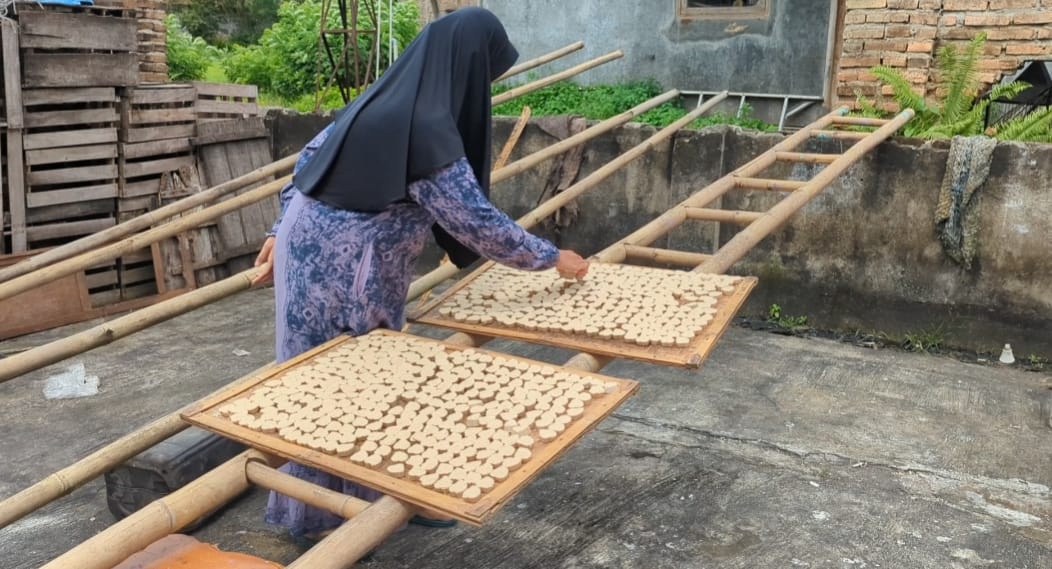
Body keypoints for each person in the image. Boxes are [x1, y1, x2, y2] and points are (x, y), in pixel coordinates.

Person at [251, 7, 590, 542]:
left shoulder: (384, 98)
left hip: (310, 244)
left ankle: (390, 497)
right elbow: (474, 220)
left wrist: (278, 230)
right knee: (344, 381)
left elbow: (306, 165)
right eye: (487, 76)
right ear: (467, 68)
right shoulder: (427, 126)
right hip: (347, 267)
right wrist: (550, 256)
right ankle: (326, 517)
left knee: (334, 374)